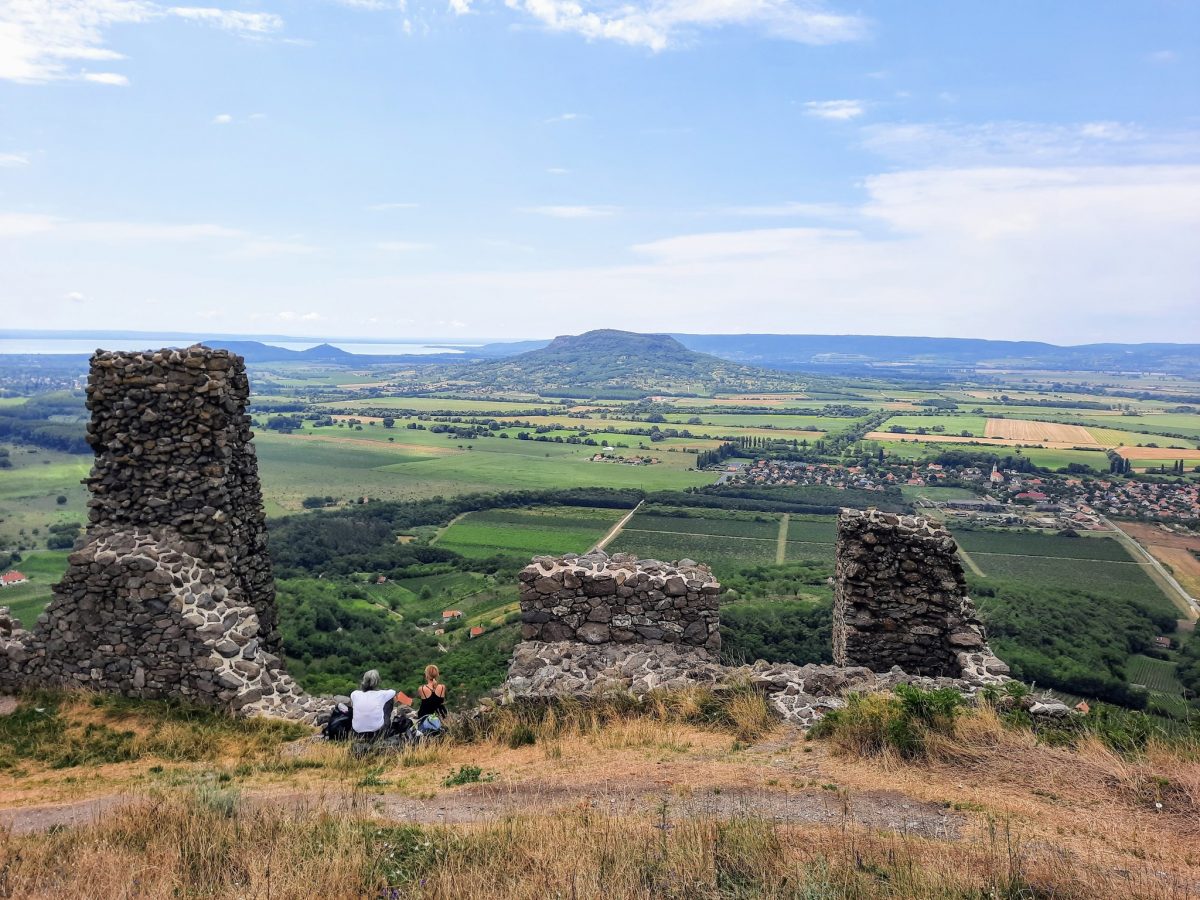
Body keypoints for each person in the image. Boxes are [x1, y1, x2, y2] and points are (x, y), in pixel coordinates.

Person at [350, 669, 413, 739]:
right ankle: (385, 728)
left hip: (356, 732)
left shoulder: (354, 694)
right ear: (377, 682)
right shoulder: (382, 694)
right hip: (377, 732)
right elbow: (393, 692)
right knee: (389, 700)